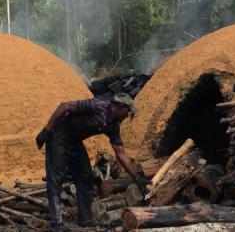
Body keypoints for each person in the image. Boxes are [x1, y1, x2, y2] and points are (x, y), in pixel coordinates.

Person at [36, 93, 150, 230]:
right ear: (121, 107)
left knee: (86, 177)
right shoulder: (97, 106)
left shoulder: (113, 126)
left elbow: (120, 154)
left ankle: (85, 218)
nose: (128, 115)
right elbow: (64, 106)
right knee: (56, 178)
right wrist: (46, 131)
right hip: (58, 137)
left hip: (74, 142)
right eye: (128, 111)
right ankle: (56, 223)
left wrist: (137, 177)